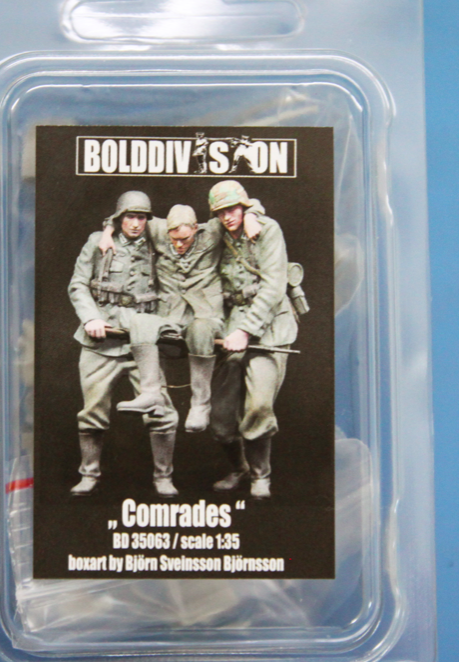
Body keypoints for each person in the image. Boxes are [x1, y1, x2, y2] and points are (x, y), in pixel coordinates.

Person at [98, 199, 264, 432]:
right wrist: (107, 232)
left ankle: (200, 405)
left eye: (184, 239)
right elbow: (123, 216)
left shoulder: (213, 230)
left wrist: (251, 217)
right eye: (173, 239)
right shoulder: (157, 228)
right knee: (140, 321)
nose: (178, 245)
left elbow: (247, 204)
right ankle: (151, 394)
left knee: (200, 328)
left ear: (196, 229)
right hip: (170, 315)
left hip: (207, 316)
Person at [68, 191, 179, 498]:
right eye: (129, 216)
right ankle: (89, 474)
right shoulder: (98, 242)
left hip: (142, 343)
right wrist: (90, 317)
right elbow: (78, 284)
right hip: (101, 340)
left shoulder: (158, 242)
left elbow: (193, 227)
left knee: (160, 410)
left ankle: (163, 477)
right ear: (119, 218)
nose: (135, 223)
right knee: (92, 411)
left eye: (141, 217)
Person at [208, 180, 298, 499]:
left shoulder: (266, 229)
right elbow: (173, 227)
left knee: (258, 406)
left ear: (244, 206)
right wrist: (109, 227)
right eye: (220, 212)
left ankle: (261, 475)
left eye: (233, 209)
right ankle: (239, 468)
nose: (227, 216)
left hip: (268, 327)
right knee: (220, 416)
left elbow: (274, 287)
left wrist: (245, 330)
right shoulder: (216, 232)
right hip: (230, 326)